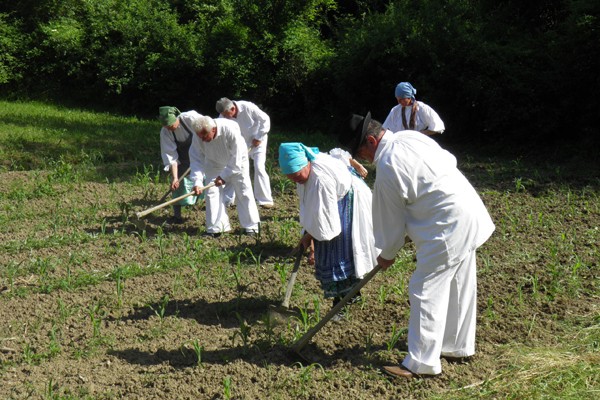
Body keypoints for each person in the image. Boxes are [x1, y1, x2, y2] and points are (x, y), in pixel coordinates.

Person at [346, 112, 495, 379]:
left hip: (446, 226)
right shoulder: (410, 137)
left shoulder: (389, 167)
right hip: (469, 209)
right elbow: (450, 160)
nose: (362, 160)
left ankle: (421, 363)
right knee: (459, 282)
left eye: (360, 152)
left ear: (370, 140)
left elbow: (390, 225)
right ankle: (457, 347)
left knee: (425, 288)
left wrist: (387, 254)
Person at [278, 142, 379, 320]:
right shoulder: (305, 173)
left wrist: (310, 237)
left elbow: (327, 226)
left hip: (347, 203)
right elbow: (311, 206)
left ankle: (341, 304)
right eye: (291, 177)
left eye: (297, 175)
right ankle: (351, 296)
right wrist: (308, 233)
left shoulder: (320, 180)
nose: (296, 180)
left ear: (306, 163)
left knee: (337, 254)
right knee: (334, 253)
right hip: (333, 203)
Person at [189, 115, 261, 237]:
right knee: (212, 192)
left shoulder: (229, 129)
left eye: (205, 136)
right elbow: (196, 159)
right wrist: (197, 182)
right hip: (214, 163)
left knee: (243, 192)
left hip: (237, 162)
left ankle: (252, 227)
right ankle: (216, 228)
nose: (203, 139)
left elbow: (236, 158)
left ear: (212, 129)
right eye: (200, 136)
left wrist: (223, 177)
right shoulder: (198, 137)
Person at [216, 97, 274, 208]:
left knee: (259, 167)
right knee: (233, 167)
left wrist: (259, 137)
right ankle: (227, 200)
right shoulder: (223, 116)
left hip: (258, 141)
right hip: (240, 144)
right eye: (223, 115)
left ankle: (265, 200)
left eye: (227, 114)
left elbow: (265, 119)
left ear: (233, 108)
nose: (225, 117)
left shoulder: (248, 107)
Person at [158, 106, 201, 224]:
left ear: (176, 117)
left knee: (204, 181)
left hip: (201, 155)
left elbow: (206, 131)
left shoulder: (191, 119)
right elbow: (171, 157)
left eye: (171, 124)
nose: (170, 128)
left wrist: (200, 158)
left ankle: (204, 206)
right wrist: (175, 177)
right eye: (167, 126)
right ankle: (177, 216)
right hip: (183, 159)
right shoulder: (165, 132)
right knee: (177, 185)